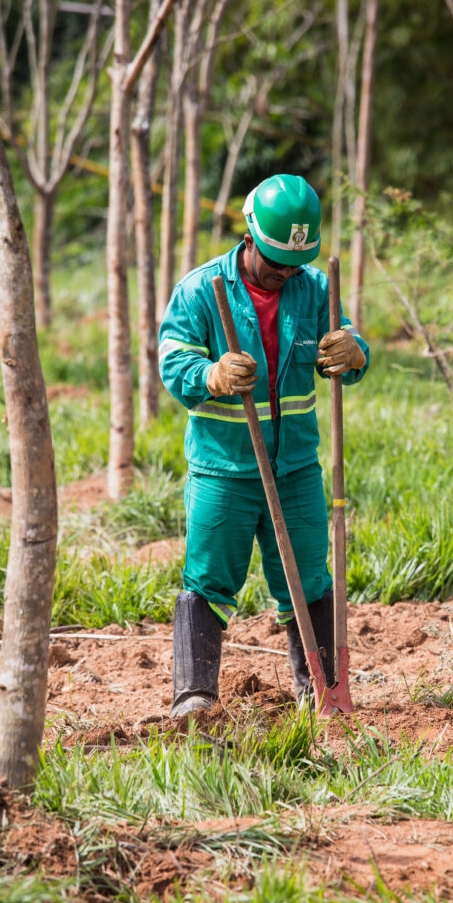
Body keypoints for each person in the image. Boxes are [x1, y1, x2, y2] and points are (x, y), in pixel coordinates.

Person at [158, 173, 369, 716]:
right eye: (275, 262)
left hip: (295, 465)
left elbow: (346, 349)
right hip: (224, 467)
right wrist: (211, 375)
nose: (283, 274)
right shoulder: (203, 289)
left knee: (309, 576)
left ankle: (321, 691)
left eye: (292, 265)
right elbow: (173, 358)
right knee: (208, 578)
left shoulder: (316, 289)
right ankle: (196, 698)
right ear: (249, 237)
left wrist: (355, 351)